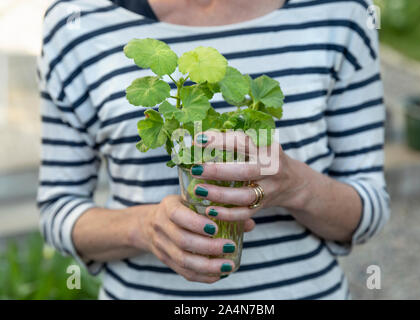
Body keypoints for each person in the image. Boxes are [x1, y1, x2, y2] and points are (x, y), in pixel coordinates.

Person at [37, 0, 390, 299]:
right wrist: (144, 228)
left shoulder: (342, 12)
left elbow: (370, 207)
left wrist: (298, 186)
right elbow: (57, 208)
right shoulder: (75, 21)